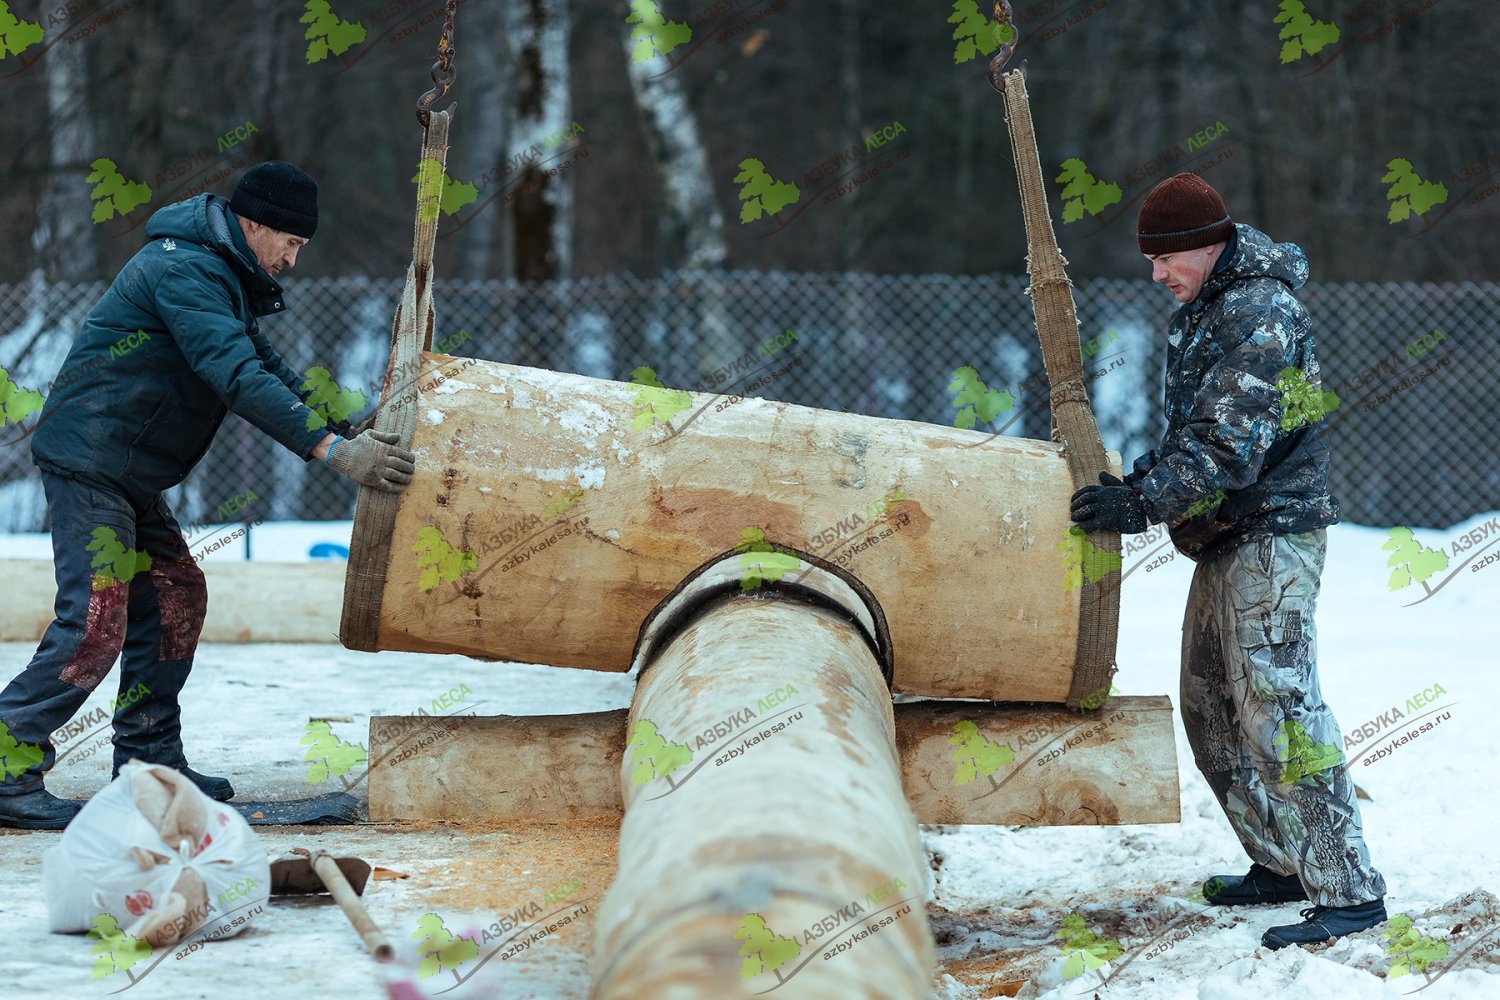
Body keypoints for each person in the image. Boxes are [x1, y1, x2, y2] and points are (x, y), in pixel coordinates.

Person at [0, 161, 416, 830]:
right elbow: (235, 374)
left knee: (173, 597)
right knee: (95, 620)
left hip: (125, 468)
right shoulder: (182, 269)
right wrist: (332, 452)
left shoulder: (220, 269)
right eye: (291, 243)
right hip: (91, 461)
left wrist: (342, 426)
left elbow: (264, 364)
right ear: (254, 224)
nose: (293, 259)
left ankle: (149, 763)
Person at [1069, 172, 1387, 950]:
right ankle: (1282, 863)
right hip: (1224, 534)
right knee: (1210, 707)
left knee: (1279, 705)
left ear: (1202, 247)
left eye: (1163, 259)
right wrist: (1140, 482)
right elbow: (1196, 433)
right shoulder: (1209, 305)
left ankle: (1349, 889)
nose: (1155, 275)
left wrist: (1142, 506)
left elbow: (1227, 448)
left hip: (1272, 534)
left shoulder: (1259, 311)